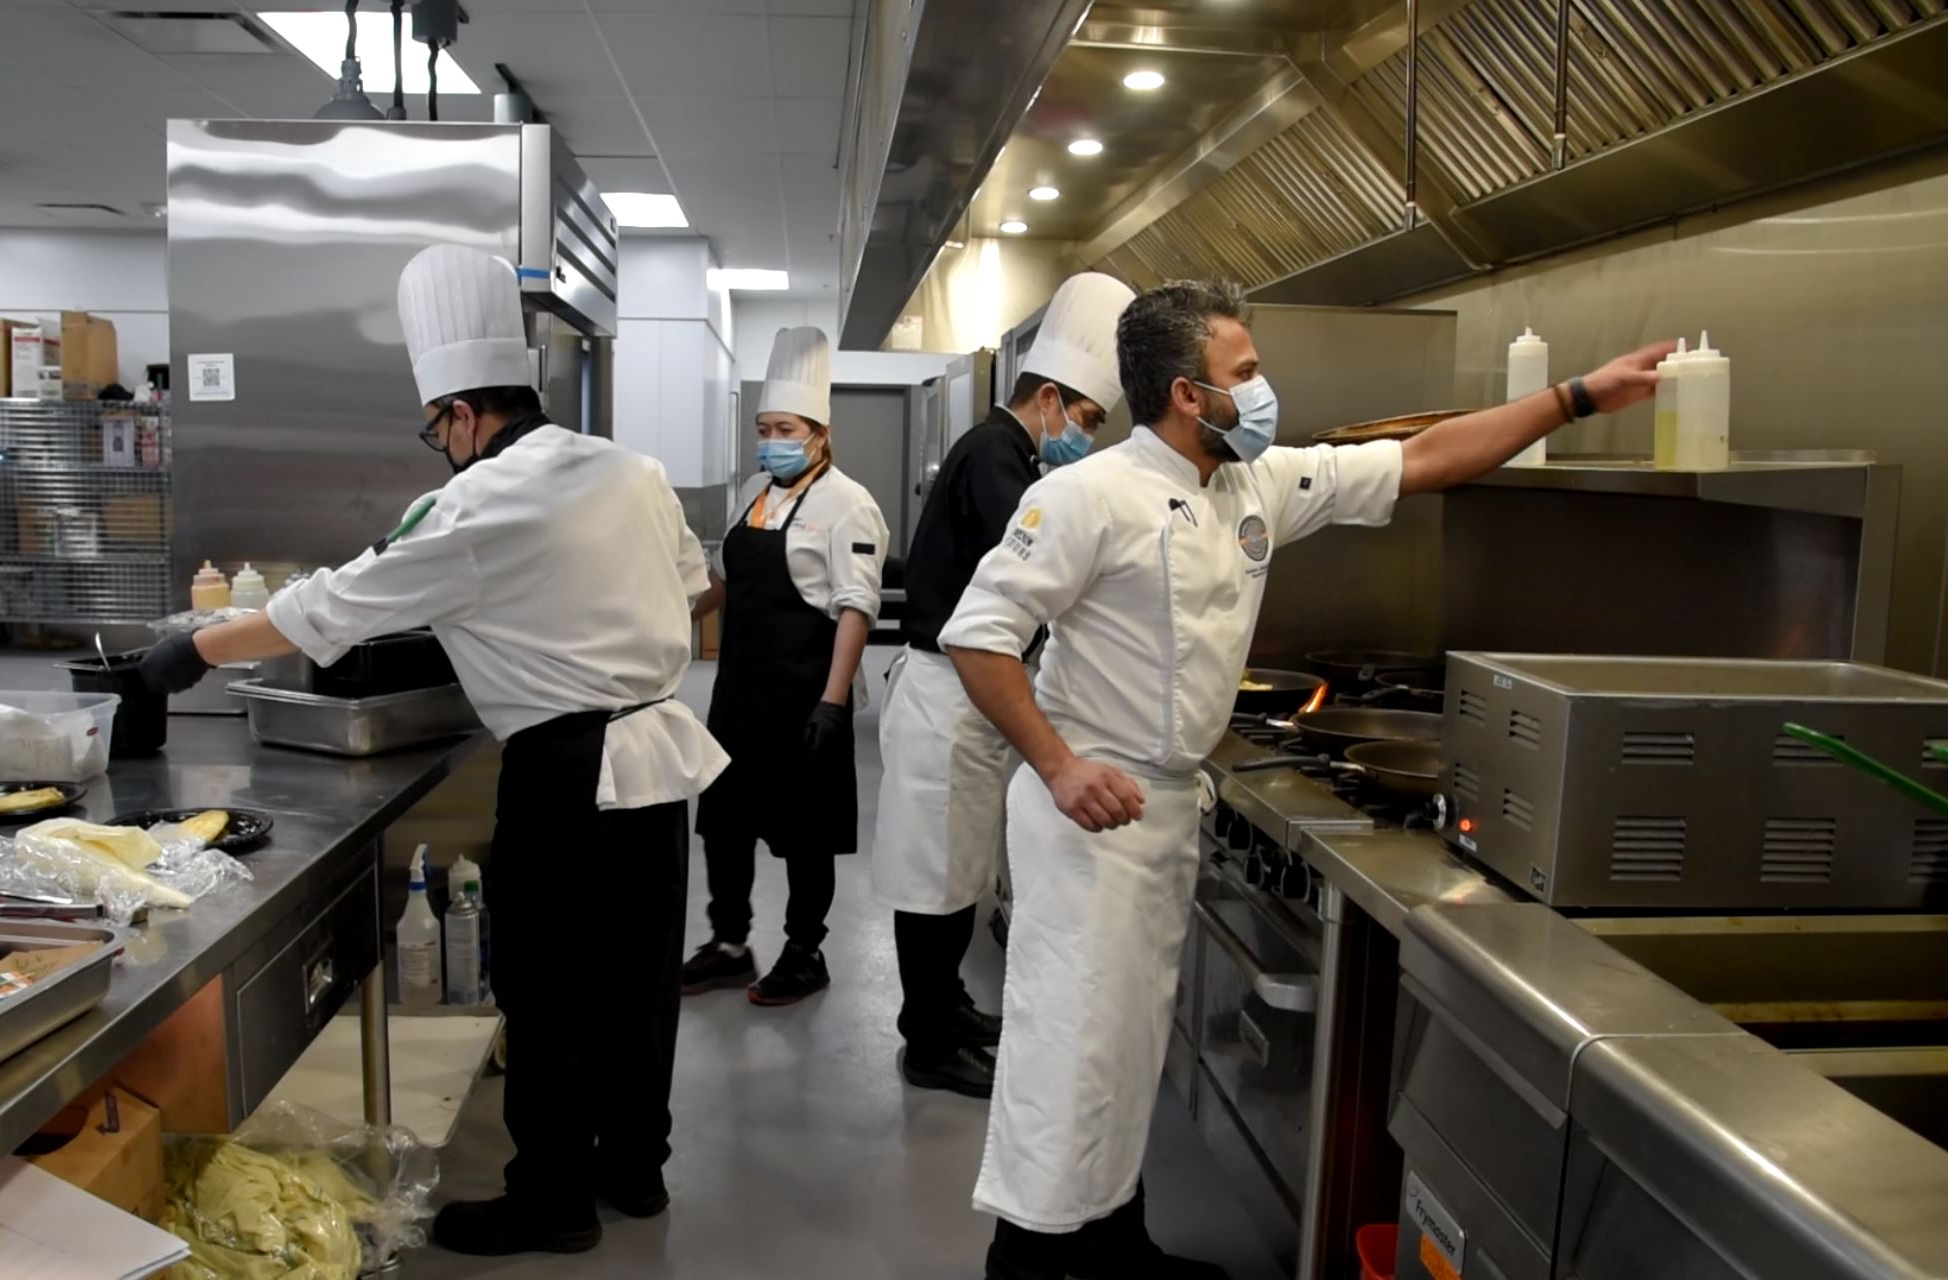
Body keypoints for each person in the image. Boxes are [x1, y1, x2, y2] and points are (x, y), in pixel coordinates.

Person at [940, 278, 1673, 1280]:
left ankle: (1111, 1242)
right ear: (1190, 394)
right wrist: (1059, 765)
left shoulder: (1254, 483)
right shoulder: (1079, 496)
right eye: (1246, 371)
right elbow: (978, 637)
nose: (1264, 387)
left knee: (1124, 1046)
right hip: (1088, 816)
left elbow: (1420, 459)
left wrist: (1575, 397)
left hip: (1163, 808)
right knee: (1063, 1050)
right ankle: (1020, 1261)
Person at [140, 246, 727, 1259]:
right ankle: (635, 1166)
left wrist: (190, 647)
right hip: (661, 753)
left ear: (459, 413)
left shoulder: (468, 506)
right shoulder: (629, 467)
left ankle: (552, 1198)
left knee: (546, 991)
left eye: (435, 429)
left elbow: (327, 605)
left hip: (564, 766)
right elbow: (690, 583)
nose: (438, 446)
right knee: (635, 984)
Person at [873, 273, 1135, 1098]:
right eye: (1088, 421)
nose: (1086, 439)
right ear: (1050, 398)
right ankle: (927, 1040)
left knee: (958, 872)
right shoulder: (996, 456)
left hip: (964, 697)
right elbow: (1042, 573)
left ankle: (946, 1006)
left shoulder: (1009, 451)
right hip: (948, 694)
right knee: (937, 879)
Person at [680, 326, 889, 1007]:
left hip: (804, 694)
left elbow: (856, 607)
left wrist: (833, 702)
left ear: (820, 434)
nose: (771, 439)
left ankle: (806, 951)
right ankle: (730, 944)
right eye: (764, 427)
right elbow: (726, 581)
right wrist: (664, 618)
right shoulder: (751, 490)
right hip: (739, 691)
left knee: (806, 835)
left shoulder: (847, 503)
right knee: (725, 821)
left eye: (785, 428)